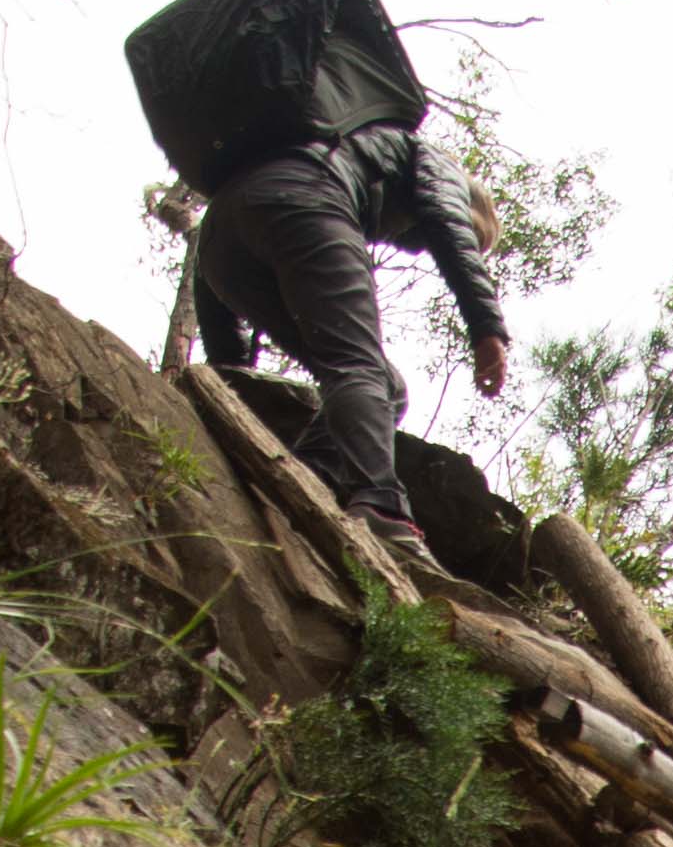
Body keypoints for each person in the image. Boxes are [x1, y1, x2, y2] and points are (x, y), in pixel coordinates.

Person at [193, 115, 509, 537]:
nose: (418, 249)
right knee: (368, 373)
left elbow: (208, 276)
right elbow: (447, 226)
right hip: (305, 200)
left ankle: (306, 476)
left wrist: (228, 377)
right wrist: (487, 328)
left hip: (221, 235)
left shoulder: (346, 149)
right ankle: (382, 506)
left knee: (385, 385)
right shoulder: (435, 163)